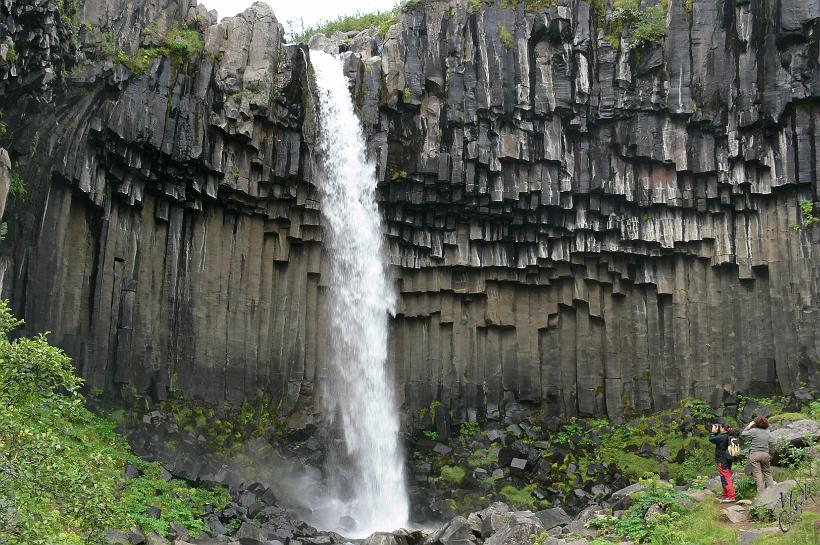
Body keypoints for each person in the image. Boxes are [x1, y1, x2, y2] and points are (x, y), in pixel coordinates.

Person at [742, 415, 774, 492]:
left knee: (758, 473)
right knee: (767, 472)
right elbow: (772, 442)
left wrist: (749, 426)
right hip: (765, 454)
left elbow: (743, 434)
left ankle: (761, 493)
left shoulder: (754, 431)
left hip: (755, 454)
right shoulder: (767, 432)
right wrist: (770, 454)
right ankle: (772, 491)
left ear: (755, 423)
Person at [709, 422, 736, 502]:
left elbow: (711, 439)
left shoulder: (722, 437)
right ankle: (725, 496)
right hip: (727, 460)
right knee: (723, 477)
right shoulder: (727, 436)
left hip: (722, 460)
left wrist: (713, 432)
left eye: (720, 427)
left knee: (726, 477)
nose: (719, 428)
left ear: (723, 428)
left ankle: (731, 496)